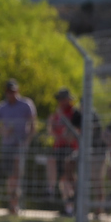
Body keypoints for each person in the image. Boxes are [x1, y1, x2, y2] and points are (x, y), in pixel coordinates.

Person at [0, 78, 38, 215]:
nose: (11, 94)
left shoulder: (26, 104)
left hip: (20, 145)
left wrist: (27, 141)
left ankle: (15, 204)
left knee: (16, 175)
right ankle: (12, 204)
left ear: (17, 90)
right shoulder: (2, 107)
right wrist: (3, 131)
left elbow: (33, 124)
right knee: (10, 176)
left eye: (13, 91)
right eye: (9, 91)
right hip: (7, 145)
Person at [47, 87, 81, 215]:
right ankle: (68, 207)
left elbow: (72, 134)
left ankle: (75, 203)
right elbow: (52, 132)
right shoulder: (56, 114)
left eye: (63, 99)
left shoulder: (74, 113)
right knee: (62, 179)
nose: (61, 101)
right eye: (59, 99)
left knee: (69, 176)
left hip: (71, 148)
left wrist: (63, 134)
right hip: (58, 148)